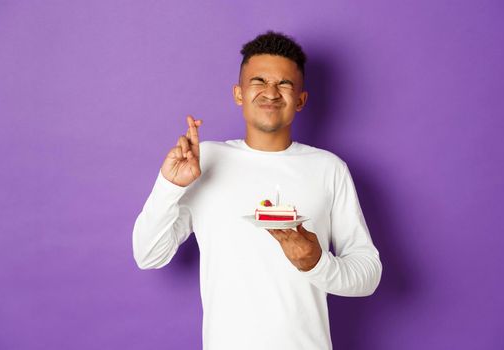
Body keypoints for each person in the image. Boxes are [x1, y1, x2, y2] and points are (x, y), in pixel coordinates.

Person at [132, 31, 382, 350]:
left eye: (285, 84)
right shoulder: (204, 160)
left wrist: (317, 263)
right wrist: (169, 186)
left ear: (301, 100)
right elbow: (148, 254)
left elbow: (368, 273)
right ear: (239, 94)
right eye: (259, 81)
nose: (271, 92)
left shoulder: (328, 168)